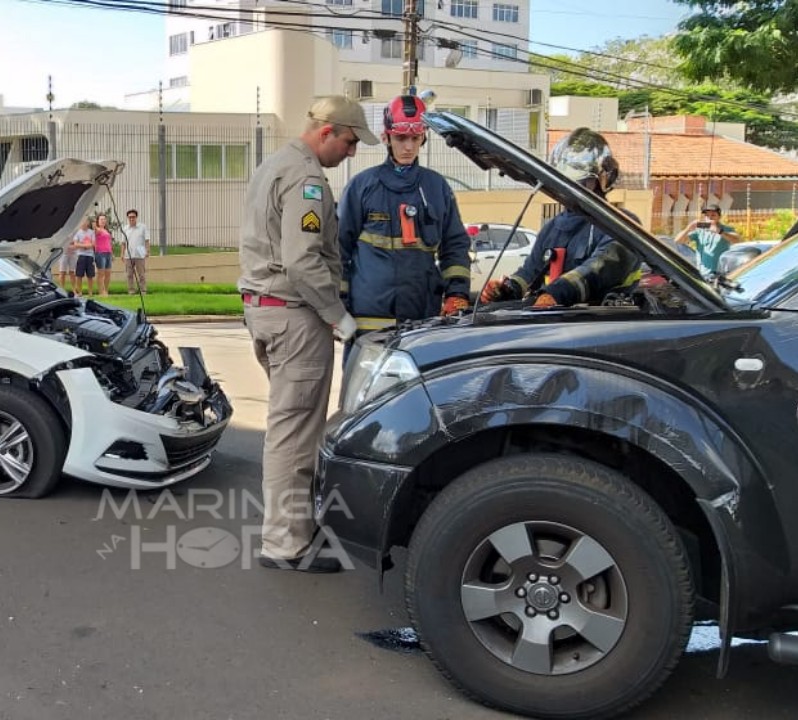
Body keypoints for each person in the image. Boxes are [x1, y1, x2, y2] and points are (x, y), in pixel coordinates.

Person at [238, 95, 378, 573]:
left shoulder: (273, 165)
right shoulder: (307, 179)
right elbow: (301, 261)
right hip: (294, 315)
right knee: (295, 432)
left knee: (293, 426)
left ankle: (294, 527)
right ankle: (285, 543)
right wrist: (338, 315)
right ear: (327, 133)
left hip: (266, 309)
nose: (352, 153)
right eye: (350, 141)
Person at [338, 93, 472, 344]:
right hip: (370, 322)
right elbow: (338, 250)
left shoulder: (436, 187)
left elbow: (455, 245)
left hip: (423, 318)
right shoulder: (362, 187)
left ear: (424, 138)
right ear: (386, 137)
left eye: (415, 137)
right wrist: (338, 306)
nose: (408, 146)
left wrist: (457, 293)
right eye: (400, 138)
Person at [479, 127, 641, 308]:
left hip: (605, 325)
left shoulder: (622, 227)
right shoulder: (552, 229)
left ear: (603, 180)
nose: (570, 190)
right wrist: (507, 289)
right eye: (565, 183)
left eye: (582, 182)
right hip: (558, 323)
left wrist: (556, 294)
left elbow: (597, 271)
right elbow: (529, 273)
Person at [674, 203, 740, 276]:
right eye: (707, 215)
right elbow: (678, 241)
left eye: (713, 215)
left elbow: (736, 240)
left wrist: (719, 231)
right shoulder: (700, 230)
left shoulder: (725, 229)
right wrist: (688, 228)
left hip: (719, 274)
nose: (710, 217)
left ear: (719, 217)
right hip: (701, 273)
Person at [121, 209, 150, 294]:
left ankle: (143, 290)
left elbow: (147, 240)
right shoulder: (125, 228)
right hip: (128, 254)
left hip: (139, 253)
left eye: (133, 217)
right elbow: (123, 243)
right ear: (127, 218)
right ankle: (131, 290)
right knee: (129, 274)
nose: (131, 219)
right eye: (130, 217)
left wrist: (147, 250)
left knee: (141, 274)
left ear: (136, 217)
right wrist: (122, 253)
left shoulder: (142, 227)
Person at [71, 216, 96, 297]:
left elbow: (93, 244)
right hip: (81, 256)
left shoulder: (91, 232)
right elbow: (75, 244)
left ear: (88, 223)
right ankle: (80, 292)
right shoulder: (77, 232)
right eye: (82, 221)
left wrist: (82, 245)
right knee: (79, 275)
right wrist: (85, 245)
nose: (84, 223)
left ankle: (90, 293)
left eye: (85, 221)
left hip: (90, 256)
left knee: (90, 275)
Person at [93, 213, 114, 297]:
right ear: (98, 221)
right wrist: (94, 224)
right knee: (101, 274)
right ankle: (101, 292)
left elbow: (109, 243)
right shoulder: (97, 230)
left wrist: (112, 254)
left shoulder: (106, 230)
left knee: (108, 273)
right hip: (100, 253)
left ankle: (106, 290)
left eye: (104, 219)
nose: (103, 221)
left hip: (108, 253)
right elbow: (94, 229)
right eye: (101, 219)